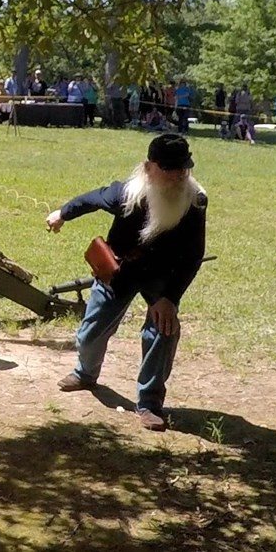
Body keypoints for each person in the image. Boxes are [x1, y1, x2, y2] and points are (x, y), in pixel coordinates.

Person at [45, 134, 208, 431]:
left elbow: (193, 254)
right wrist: (61, 214)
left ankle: (149, 402)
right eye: (168, 168)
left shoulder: (195, 201)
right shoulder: (125, 195)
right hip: (122, 270)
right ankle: (85, 373)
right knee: (90, 334)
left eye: (182, 169)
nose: (176, 176)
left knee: (164, 330)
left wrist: (170, 297)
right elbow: (89, 199)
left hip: (163, 275)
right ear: (149, 168)